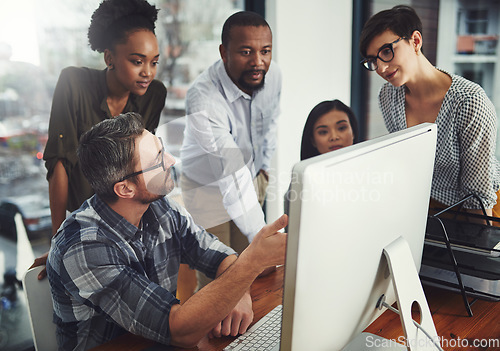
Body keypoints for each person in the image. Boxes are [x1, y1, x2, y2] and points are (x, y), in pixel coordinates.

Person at [46, 112, 287, 351]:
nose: (171, 160)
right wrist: (252, 262)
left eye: (162, 148)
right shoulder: (84, 247)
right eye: (158, 160)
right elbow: (179, 330)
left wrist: (239, 295)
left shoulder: (159, 207)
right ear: (125, 189)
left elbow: (221, 257)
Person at [32, 0, 167, 278]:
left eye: (154, 62)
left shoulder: (154, 94)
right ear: (109, 58)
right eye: (137, 61)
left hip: (126, 222)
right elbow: (59, 164)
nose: (148, 72)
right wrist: (58, 241)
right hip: (80, 222)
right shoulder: (73, 83)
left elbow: (139, 169)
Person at [359, 5, 500, 222]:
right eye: (373, 61)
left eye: (386, 51)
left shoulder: (470, 102)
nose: (381, 68)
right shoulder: (388, 96)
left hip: (479, 214)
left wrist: (475, 252)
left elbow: (478, 199)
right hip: (428, 208)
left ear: (415, 41)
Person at [180, 11, 282, 285]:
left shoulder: (271, 77)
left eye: (265, 51)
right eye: (246, 52)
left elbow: (270, 122)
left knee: (256, 270)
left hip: (250, 174)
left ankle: (255, 328)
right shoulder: (204, 99)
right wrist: (264, 238)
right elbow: (230, 171)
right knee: (221, 280)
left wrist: (264, 165)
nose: (258, 61)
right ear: (224, 52)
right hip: (206, 187)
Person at [285, 99, 358, 215]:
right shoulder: (302, 182)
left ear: (353, 132)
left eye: (341, 128)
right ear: (313, 141)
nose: (334, 137)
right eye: (323, 132)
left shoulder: (371, 172)